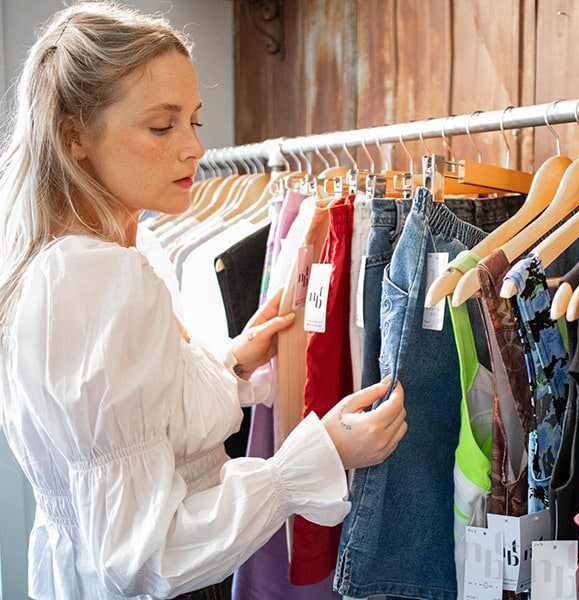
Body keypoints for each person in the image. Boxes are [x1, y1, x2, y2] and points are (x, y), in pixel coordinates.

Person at [0, 2, 408, 599]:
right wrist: (316, 457)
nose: (194, 147)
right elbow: (146, 557)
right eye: (163, 126)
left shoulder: (87, 256)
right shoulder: (98, 281)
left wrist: (233, 362)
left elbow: (139, 425)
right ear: (73, 136)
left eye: (194, 121)